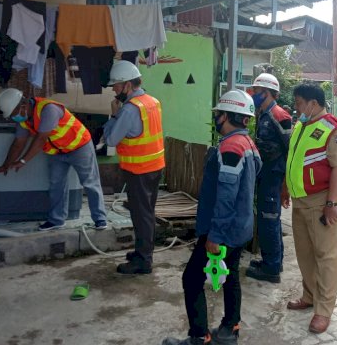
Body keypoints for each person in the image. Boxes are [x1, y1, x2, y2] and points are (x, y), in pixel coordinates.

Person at [162, 90, 261, 345]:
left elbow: (226, 196)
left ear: (226, 115)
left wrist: (215, 235)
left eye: (218, 114)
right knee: (230, 277)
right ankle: (230, 329)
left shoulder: (230, 147)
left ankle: (199, 337)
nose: (216, 118)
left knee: (192, 279)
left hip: (222, 230)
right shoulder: (248, 143)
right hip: (240, 227)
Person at [282, 82, 337, 334]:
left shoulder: (334, 129)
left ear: (313, 103)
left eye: (299, 103)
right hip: (300, 201)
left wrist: (332, 204)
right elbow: (294, 159)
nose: (296, 107)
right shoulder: (302, 125)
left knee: (327, 256)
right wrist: (285, 186)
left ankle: (323, 310)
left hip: (322, 202)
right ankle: (309, 296)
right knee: (305, 254)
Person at [0, 88, 107, 231]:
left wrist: (22, 161)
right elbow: (18, 143)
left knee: (90, 182)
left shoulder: (48, 109)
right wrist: (6, 164)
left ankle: (100, 219)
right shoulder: (24, 120)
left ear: (22, 105)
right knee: (56, 185)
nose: (14, 117)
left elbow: (41, 139)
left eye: (14, 113)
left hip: (79, 146)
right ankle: (57, 220)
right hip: (57, 152)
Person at [102, 60, 165, 275]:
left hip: (139, 170)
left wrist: (113, 115)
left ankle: (143, 260)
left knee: (141, 215)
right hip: (155, 167)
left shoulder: (128, 110)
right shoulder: (152, 101)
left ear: (128, 85)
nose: (114, 89)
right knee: (147, 213)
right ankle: (142, 252)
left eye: (116, 86)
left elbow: (111, 139)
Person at [245, 73, 292, 284]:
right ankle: (273, 261)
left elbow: (290, 149)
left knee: (269, 219)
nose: (253, 94)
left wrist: (286, 184)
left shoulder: (278, 115)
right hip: (266, 176)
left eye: (256, 91)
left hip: (274, 177)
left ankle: (271, 268)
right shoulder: (264, 113)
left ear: (267, 92)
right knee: (268, 219)